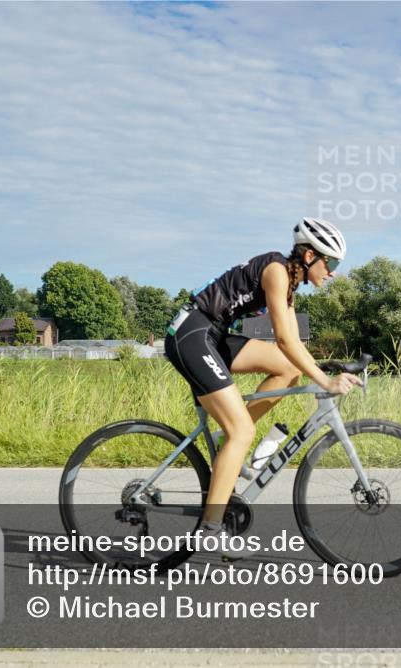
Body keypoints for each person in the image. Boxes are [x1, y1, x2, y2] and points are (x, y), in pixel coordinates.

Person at [164, 217, 362, 557]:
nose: (333, 272)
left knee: (288, 371)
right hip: (192, 334)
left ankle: (232, 446)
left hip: (214, 334)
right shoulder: (276, 271)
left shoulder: (288, 283)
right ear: (310, 255)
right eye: (332, 262)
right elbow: (284, 338)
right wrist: (325, 380)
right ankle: (210, 530)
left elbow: (292, 347)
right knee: (242, 430)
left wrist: (319, 367)